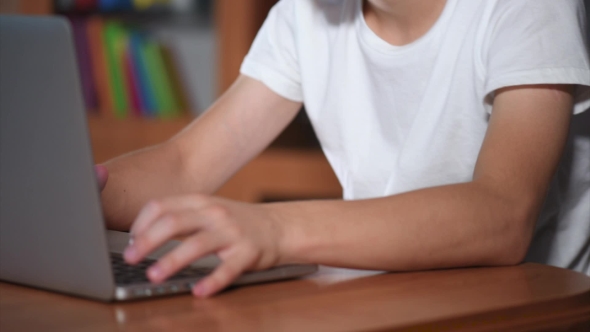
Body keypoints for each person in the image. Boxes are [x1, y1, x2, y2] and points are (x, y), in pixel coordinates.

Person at [95, 0, 590, 298]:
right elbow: (184, 165)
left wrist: (274, 228)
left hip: (530, 307)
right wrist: (60, 197)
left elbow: (501, 215)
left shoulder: (526, 6)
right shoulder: (306, 12)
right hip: (387, 293)